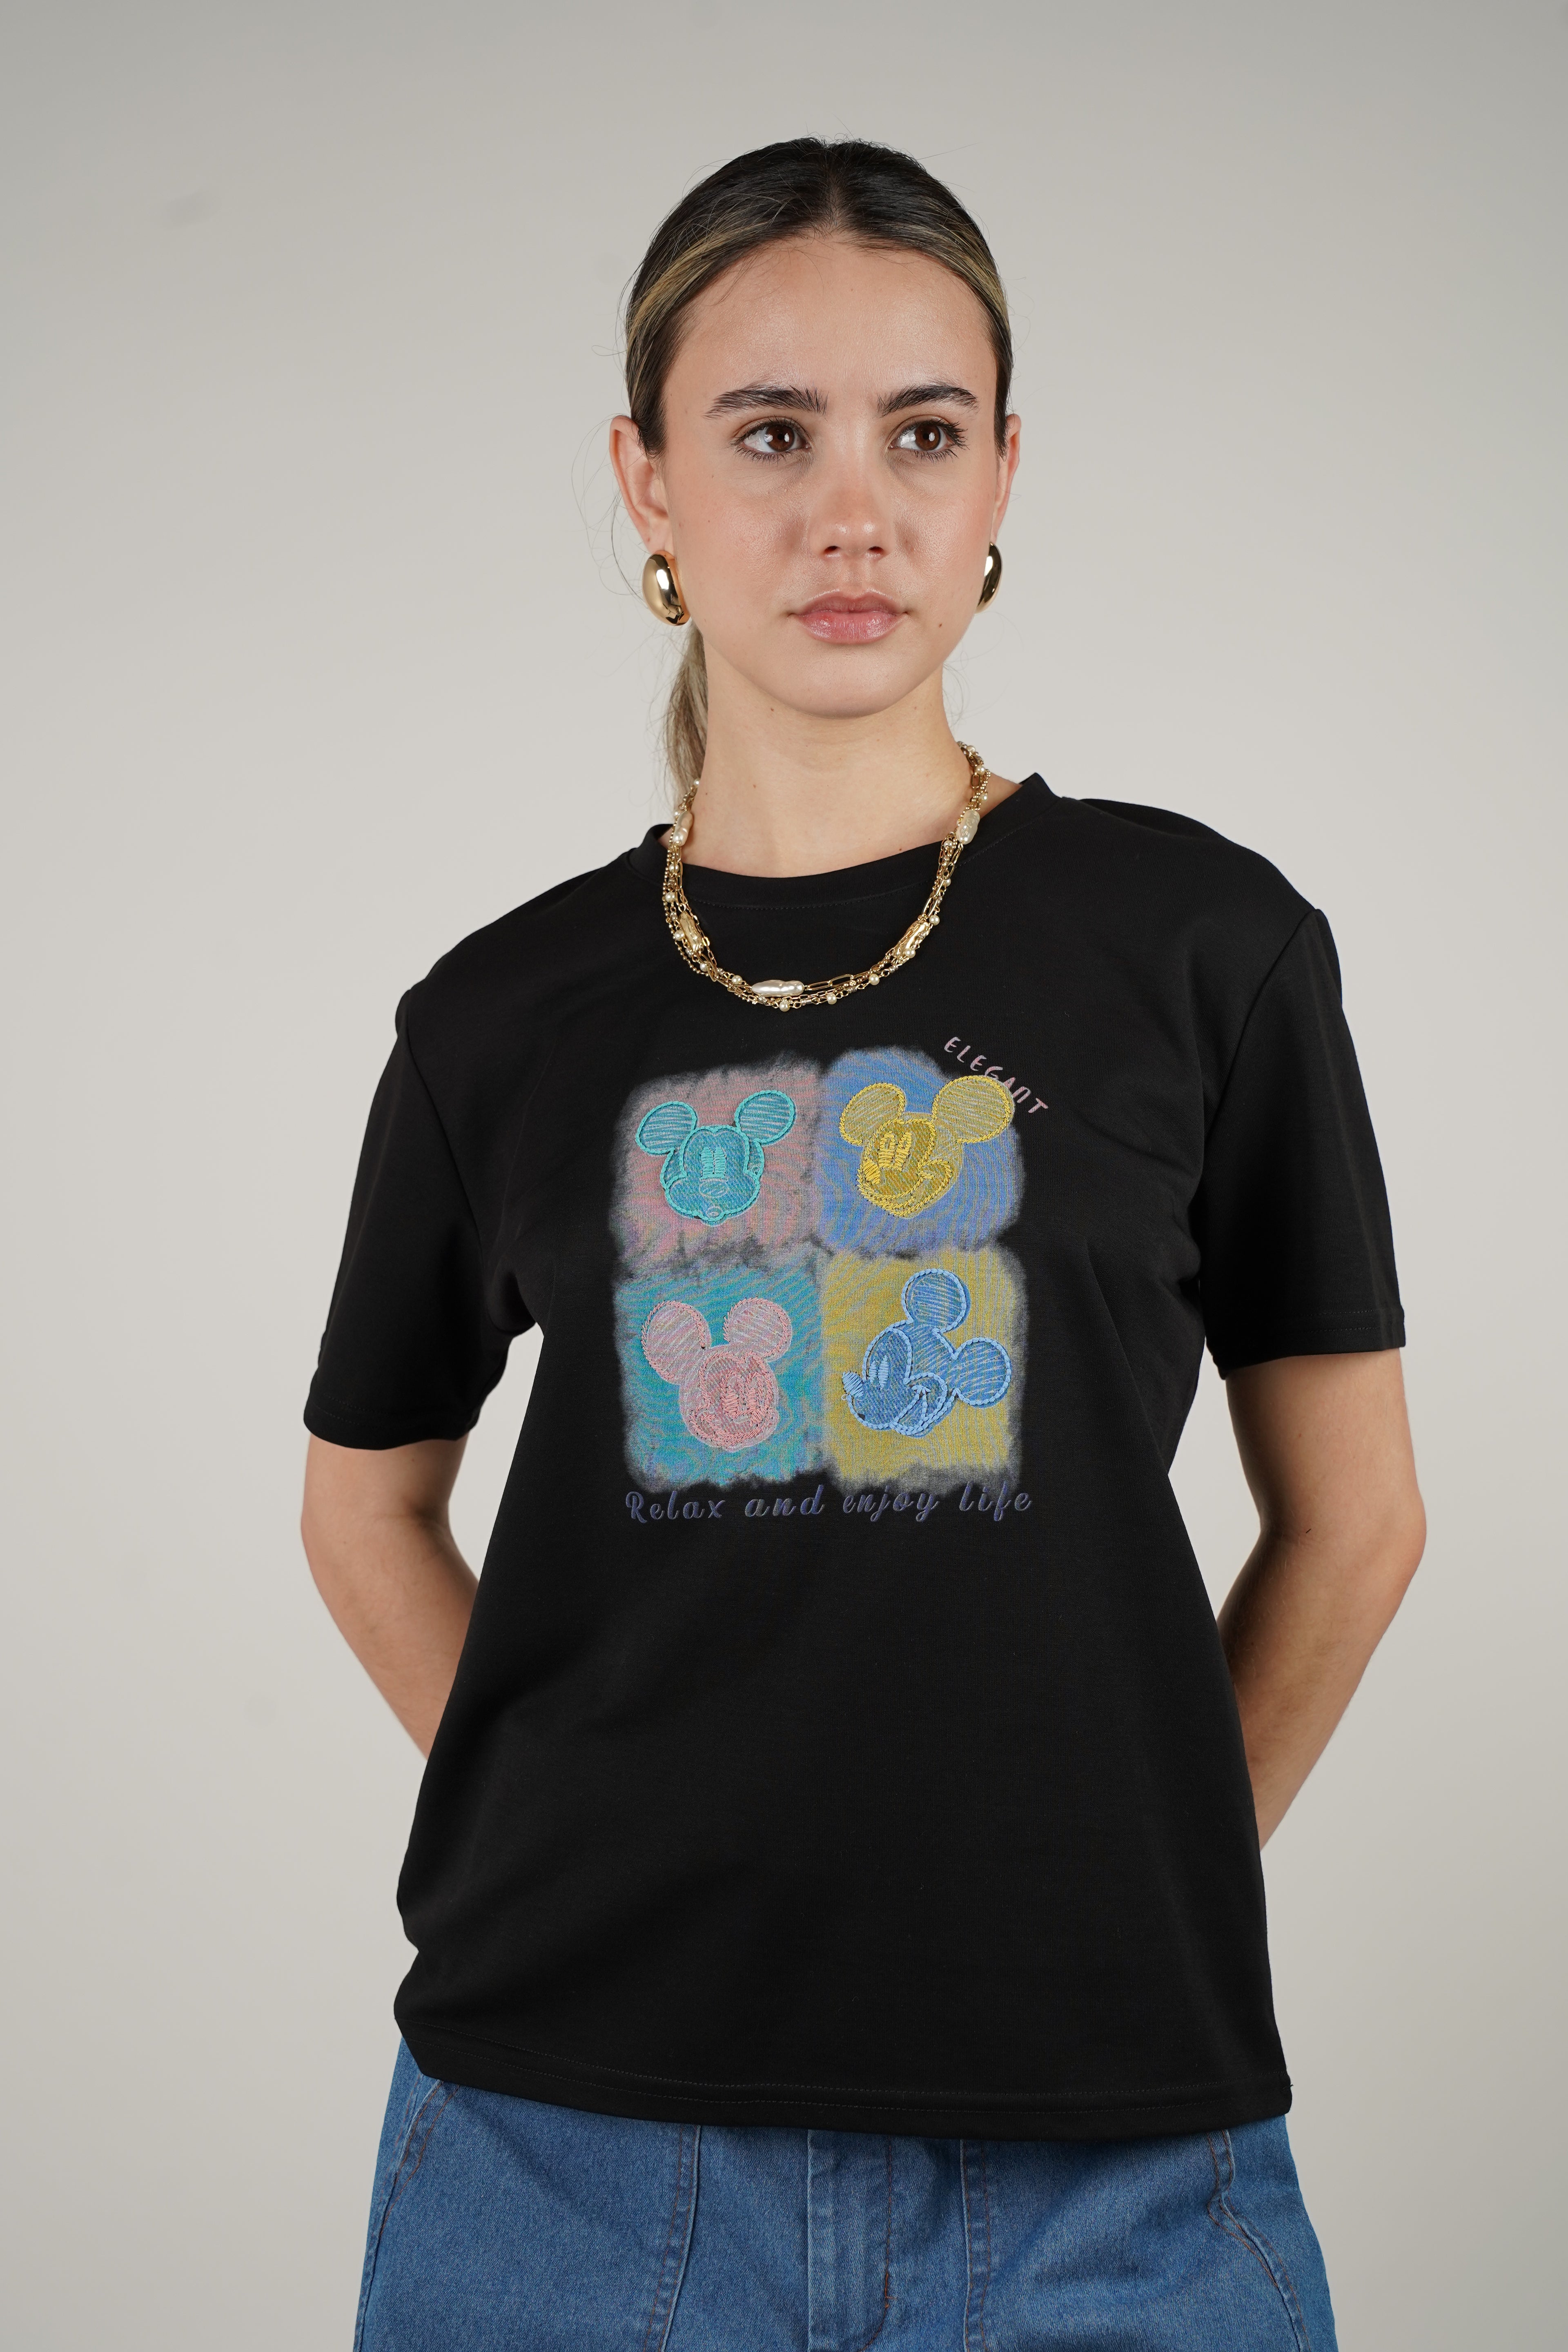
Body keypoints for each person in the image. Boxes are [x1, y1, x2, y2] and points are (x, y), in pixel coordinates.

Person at [301, 137, 1424, 2352]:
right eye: (769, 434)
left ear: (1003, 472)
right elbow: (363, 1508)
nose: (854, 514)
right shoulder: (500, 1016)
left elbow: (1359, 1521)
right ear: (644, 479)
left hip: (1116, 2173)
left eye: (922, 433)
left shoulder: (1207, 947)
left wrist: (1135, 1872)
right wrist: (575, 1823)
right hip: (564, 2161)